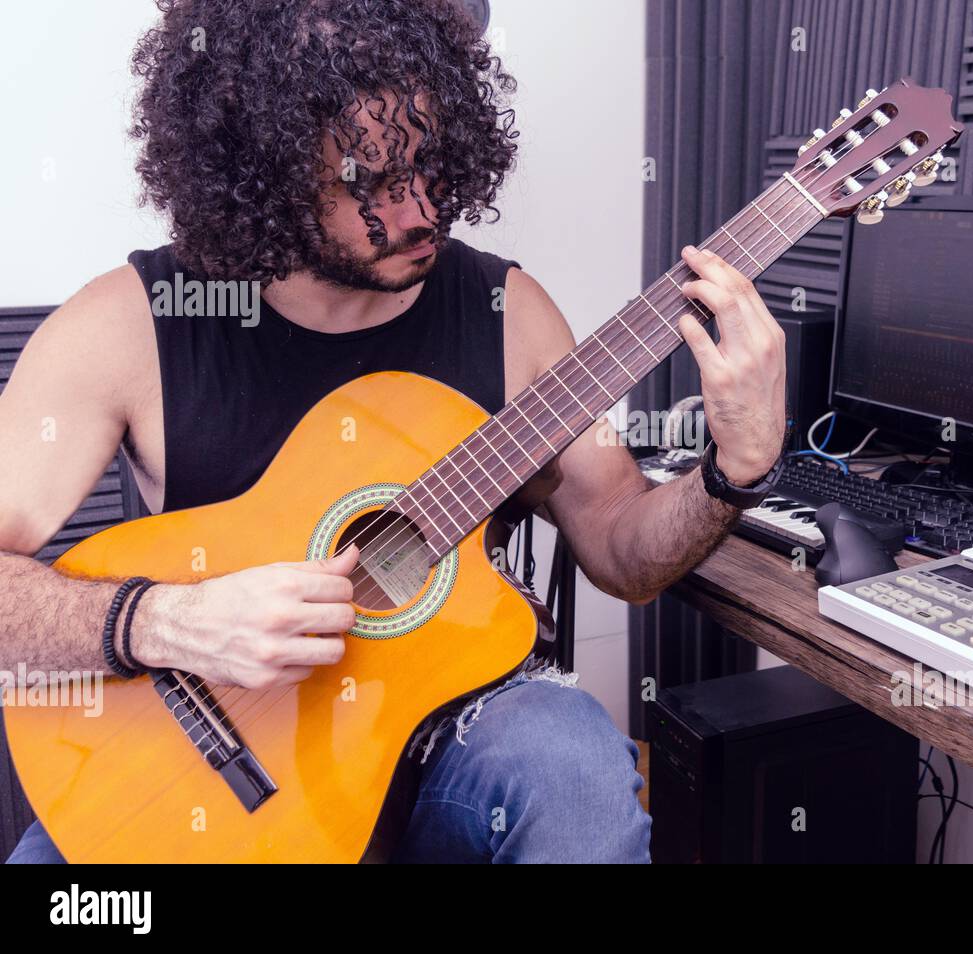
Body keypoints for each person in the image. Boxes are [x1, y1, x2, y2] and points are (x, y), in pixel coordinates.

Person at [1, 0, 787, 863]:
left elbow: (621, 554)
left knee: (571, 763)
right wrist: (162, 621)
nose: (418, 213)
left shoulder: (507, 312)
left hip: (454, 742)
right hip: (204, 766)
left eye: (431, 166)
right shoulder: (127, 327)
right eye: (364, 183)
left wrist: (733, 470)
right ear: (258, 168)